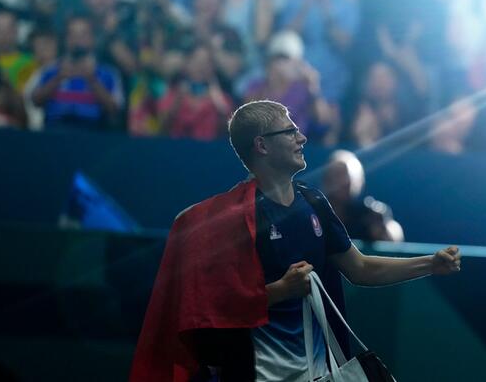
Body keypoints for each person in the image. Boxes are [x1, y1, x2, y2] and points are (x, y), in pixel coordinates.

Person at [130, 100, 461, 382]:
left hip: (322, 371)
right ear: (262, 145)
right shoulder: (231, 221)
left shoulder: (313, 200)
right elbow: (212, 311)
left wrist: (430, 264)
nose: (301, 137)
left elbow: (360, 268)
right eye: (289, 131)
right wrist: (281, 291)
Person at [30, 15, 124, 131]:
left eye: (83, 35)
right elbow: (35, 101)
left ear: (92, 38)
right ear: (66, 39)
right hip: (53, 133)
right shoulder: (50, 69)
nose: (77, 40)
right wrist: (58, 78)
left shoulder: (108, 73)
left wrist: (92, 80)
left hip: (94, 134)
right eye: (72, 35)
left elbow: (114, 109)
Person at [321, 149, 404, 242]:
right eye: (336, 174)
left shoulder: (368, 215)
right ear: (325, 179)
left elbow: (394, 239)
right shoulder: (313, 211)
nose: (342, 181)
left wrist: (384, 227)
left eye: (348, 176)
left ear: (359, 182)